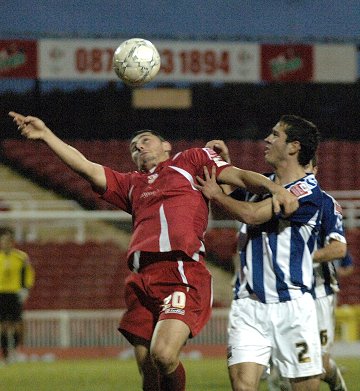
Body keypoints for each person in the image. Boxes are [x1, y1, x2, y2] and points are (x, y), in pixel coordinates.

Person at [8, 111, 298, 390]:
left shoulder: (191, 160)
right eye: (134, 147)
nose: (139, 147)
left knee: (163, 355)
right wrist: (45, 134)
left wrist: (276, 189)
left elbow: (240, 177)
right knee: (148, 370)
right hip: (141, 278)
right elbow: (85, 166)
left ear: (166, 146)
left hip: (180, 270)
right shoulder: (130, 184)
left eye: (145, 140)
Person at [197, 115, 323, 391]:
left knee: (305, 387)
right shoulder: (263, 184)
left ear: (294, 147)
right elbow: (225, 211)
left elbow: (252, 216)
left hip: (291, 305)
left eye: (275, 135)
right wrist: (225, 169)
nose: (267, 139)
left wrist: (216, 194)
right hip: (248, 303)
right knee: (242, 386)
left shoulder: (307, 191)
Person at [0, 226, 35, 364]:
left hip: (15, 293)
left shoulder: (21, 257)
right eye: (2, 240)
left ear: (12, 241)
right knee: (2, 325)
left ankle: (15, 351)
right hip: (1, 293)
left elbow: (29, 274)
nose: (4, 243)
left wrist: (25, 289)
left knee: (16, 324)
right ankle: (5, 355)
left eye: (7, 240)